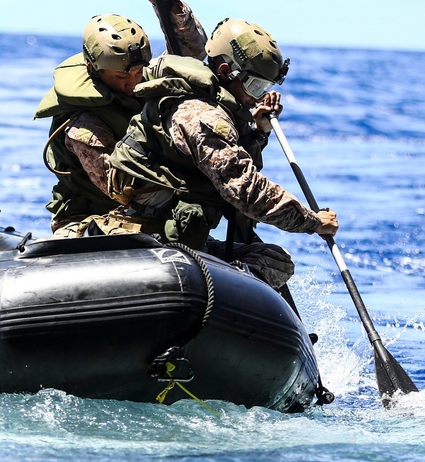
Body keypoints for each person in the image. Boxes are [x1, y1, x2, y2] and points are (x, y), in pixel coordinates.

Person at [106, 17, 338, 288]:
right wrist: (311, 221)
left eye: (264, 88)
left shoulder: (214, 108)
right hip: (149, 243)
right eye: (254, 87)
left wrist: (259, 132)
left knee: (274, 261)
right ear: (227, 70)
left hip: (174, 236)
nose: (257, 96)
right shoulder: (201, 115)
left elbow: (229, 163)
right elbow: (245, 189)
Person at [33, 0, 206, 236]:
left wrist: (168, 4)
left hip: (153, 216)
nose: (132, 82)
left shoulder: (136, 75)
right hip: (90, 222)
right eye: (121, 77)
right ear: (94, 69)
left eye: (138, 72)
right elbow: (122, 190)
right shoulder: (83, 125)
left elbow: (191, 57)